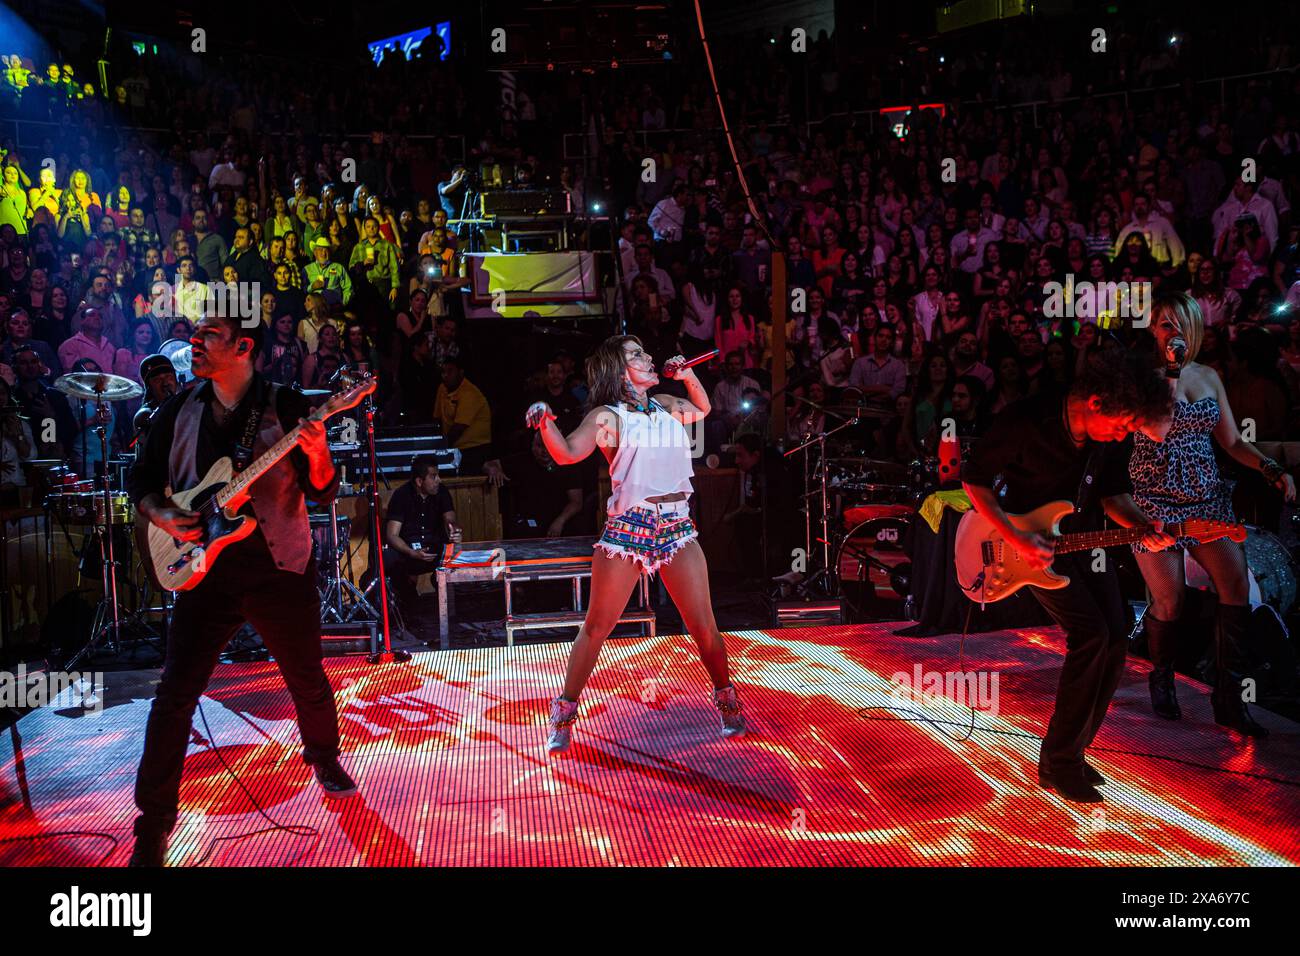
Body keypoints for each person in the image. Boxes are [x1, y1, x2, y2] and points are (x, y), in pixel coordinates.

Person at [125, 312, 356, 866]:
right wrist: (160, 512)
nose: (194, 344)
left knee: (307, 677)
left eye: (207, 336)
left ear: (242, 347)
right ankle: (154, 821)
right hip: (203, 570)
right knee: (175, 695)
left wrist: (319, 449)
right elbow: (140, 478)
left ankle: (322, 755)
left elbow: (323, 491)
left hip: (278, 565)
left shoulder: (290, 405)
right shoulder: (179, 407)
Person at [962, 349, 1173, 804]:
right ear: (1095, 402)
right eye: (1122, 425)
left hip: (1081, 541)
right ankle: (1059, 763)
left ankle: (1071, 754)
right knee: (1092, 634)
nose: (1124, 435)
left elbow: (1114, 493)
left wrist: (1142, 527)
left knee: (1117, 636)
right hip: (1023, 546)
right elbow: (973, 480)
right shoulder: (1028, 419)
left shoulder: (1106, 439)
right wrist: (1016, 536)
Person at [527, 337, 745, 753]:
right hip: (630, 527)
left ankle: (726, 699)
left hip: (677, 526)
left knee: (703, 624)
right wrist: (545, 422)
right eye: (637, 355)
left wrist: (688, 375)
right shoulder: (608, 416)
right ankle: (565, 711)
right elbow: (568, 453)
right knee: (597, 626)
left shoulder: (664, 403)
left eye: (645, 352)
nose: (648, 357)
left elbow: (702, 409)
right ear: (618, 369)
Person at [1131, 293, 1295, 735]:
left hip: (1207, 501)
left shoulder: (1209, 376)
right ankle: (1162, 679)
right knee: (1171, 599)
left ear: (1196, 329)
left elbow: (1232, 441)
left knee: (1236, 588)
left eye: (1180, 324)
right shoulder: (1143, 379)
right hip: (1154, 504)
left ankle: (1230, 698)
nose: (1173, 333)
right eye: (1164, 325)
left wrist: (1271, 467)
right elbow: (1161, 428)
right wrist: (1170, 372)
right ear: (1153, 332)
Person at [382, 455, 460, 611]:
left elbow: (450, 518)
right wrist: (411, 552)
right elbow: (392, 535)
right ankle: (407, 606)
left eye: (438, 475)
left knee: (454, 554)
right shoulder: (402, 495)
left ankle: (450, 611)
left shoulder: (442, 492)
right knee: (389, 558)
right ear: (419, 481)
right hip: (409, 551)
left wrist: (454, 530)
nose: (439, 480)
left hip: (435, 547)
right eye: (433, 476)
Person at [433, 356, 493, 474]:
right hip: (453, 446)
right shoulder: (442, 388)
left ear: (461, 372)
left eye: (450, 371)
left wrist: (438, 449)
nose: (445, 375)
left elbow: (458, 428)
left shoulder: (470, 393)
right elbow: (437, 418)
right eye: (443, 372)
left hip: (474, 448)